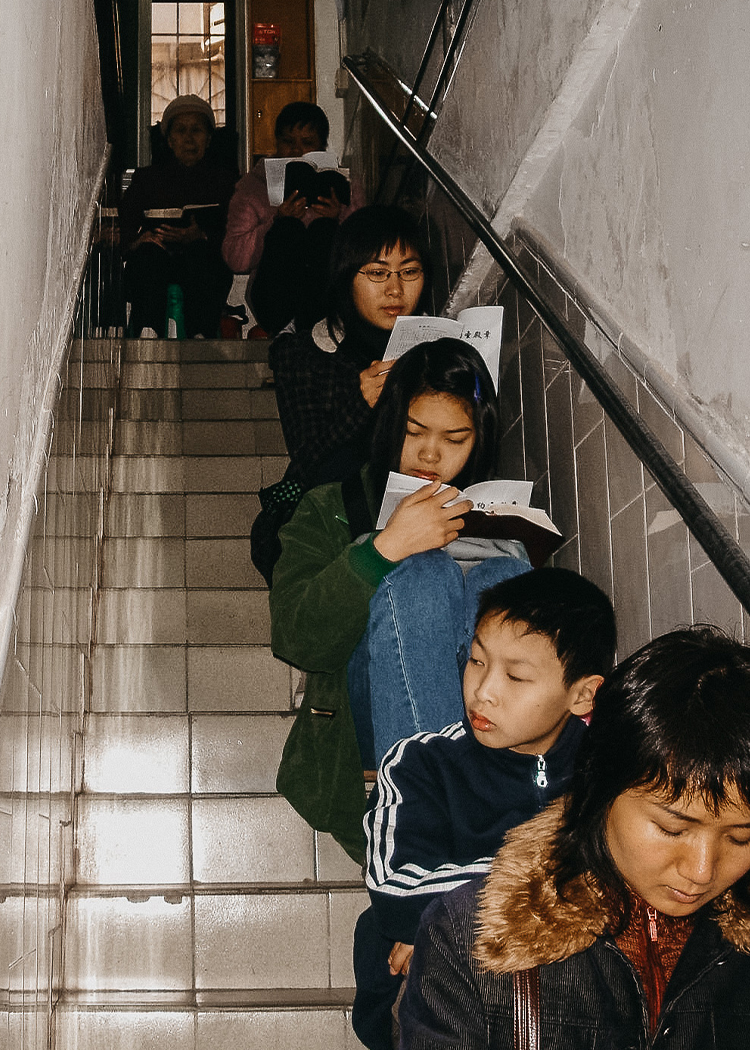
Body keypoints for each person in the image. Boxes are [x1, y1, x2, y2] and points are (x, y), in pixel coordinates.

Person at [399, 625, 750, 1049]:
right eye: (672, 828)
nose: (701, 870)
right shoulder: (468, 936)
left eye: (740, 839)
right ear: (599, 789)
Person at [271, 338, 533, 863]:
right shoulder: (331, 507)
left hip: (486, 727)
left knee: (502, 574)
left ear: (478, 441)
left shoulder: (497, 510)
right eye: (415, 433)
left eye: (455, 439)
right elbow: (297, 637)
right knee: (423, 573)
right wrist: (386, 547)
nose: (431, 455)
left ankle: (488, 795)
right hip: (365, 726)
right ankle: (425, 816)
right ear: (390, 425)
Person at [352, 567, 616, 1050]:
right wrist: (564, 882)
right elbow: (397, 886)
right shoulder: (420, 763)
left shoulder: (613, 771)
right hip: (437, 996)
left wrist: (447, 916)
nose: (483, 691)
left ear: (582, 695)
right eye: (476, 661)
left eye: (516, 676)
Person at [249, 205, 431, 586]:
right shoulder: (303, 352)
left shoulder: (435, 349)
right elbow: (307, 455)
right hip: (330, 512)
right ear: (347, 277)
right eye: (378, 274)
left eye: (409, 272)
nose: (395, 290)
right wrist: (361, 403)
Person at [221, 101, 363, 334]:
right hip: (274, 296)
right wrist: (275, 221)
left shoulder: (345, 187)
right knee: (288, 229)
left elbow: (365, 251)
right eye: (288, 142)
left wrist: (339, 217)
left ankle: (319, 324)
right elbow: (236, 259)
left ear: (322, 147)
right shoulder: (252, 186)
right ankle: (291, 326)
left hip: (328, 296)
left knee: (323, 230)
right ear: (276, 143)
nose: (297, 151)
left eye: (307, 143)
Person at [119, 94, 236, 338]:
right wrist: (137, 240)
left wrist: (201, 234)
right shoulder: (146, 179)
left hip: (201, 258)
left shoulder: (225, 181)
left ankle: (200, 334)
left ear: (209, 139)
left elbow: (233, 229)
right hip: (156, 257)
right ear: (169, 140)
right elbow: (125, 222)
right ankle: (147, 331)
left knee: (201, 255)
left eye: (197, 130)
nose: (189, 138)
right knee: (150, 255)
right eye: (181, 131)